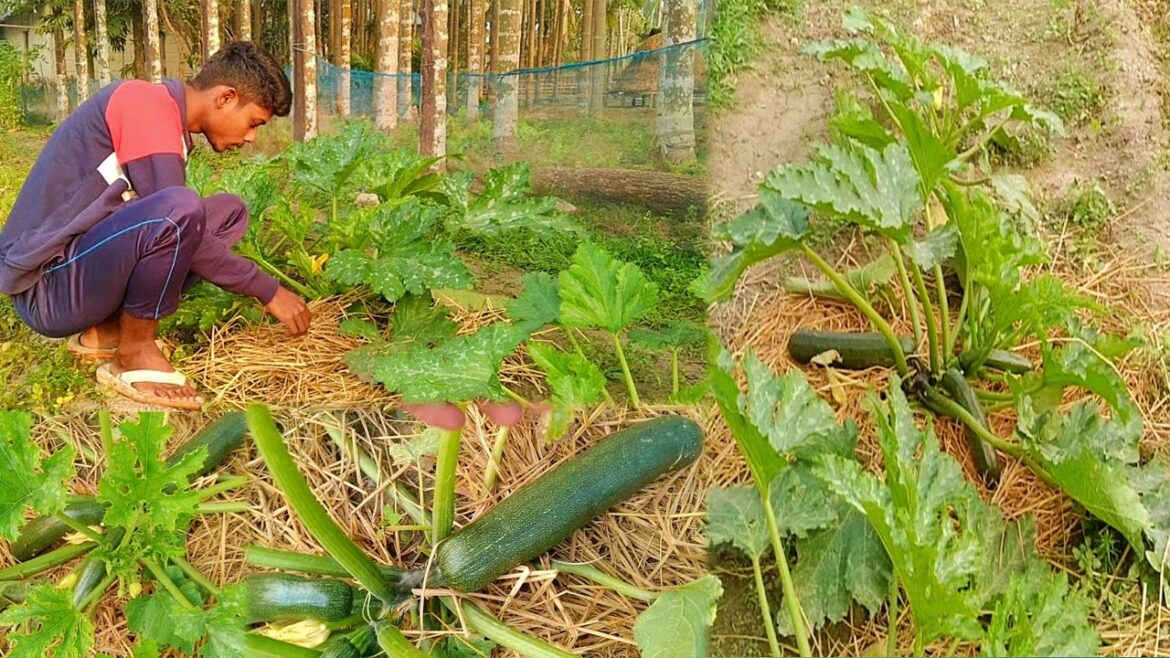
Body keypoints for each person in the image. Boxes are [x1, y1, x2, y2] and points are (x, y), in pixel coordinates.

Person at [0, 42, 312, 410]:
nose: (250, 138)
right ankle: (134, 350)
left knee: (227, 212)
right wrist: (267, 289)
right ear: (226, 97)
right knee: (179, 209)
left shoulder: (168, 122)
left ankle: (107, 331)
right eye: (254, 123)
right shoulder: (143, 104)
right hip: (46, 287)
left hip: (77, 270)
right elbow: (173, 218)